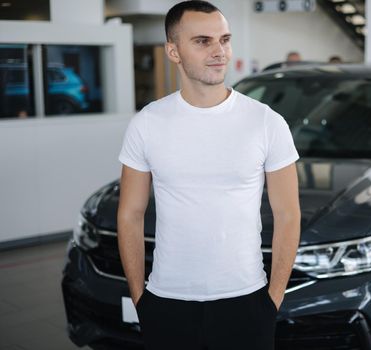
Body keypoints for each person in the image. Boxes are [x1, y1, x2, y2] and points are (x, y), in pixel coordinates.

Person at [117, 1, 301, 350]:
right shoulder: (147, 123)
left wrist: (271, 300)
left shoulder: (266, 122)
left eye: (225, 39)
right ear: (174, 51)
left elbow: (288, 215)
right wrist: (142, 298)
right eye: (203, 41)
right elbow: (130, 213)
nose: (219, 51)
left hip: (246, 301)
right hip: (166, 302)